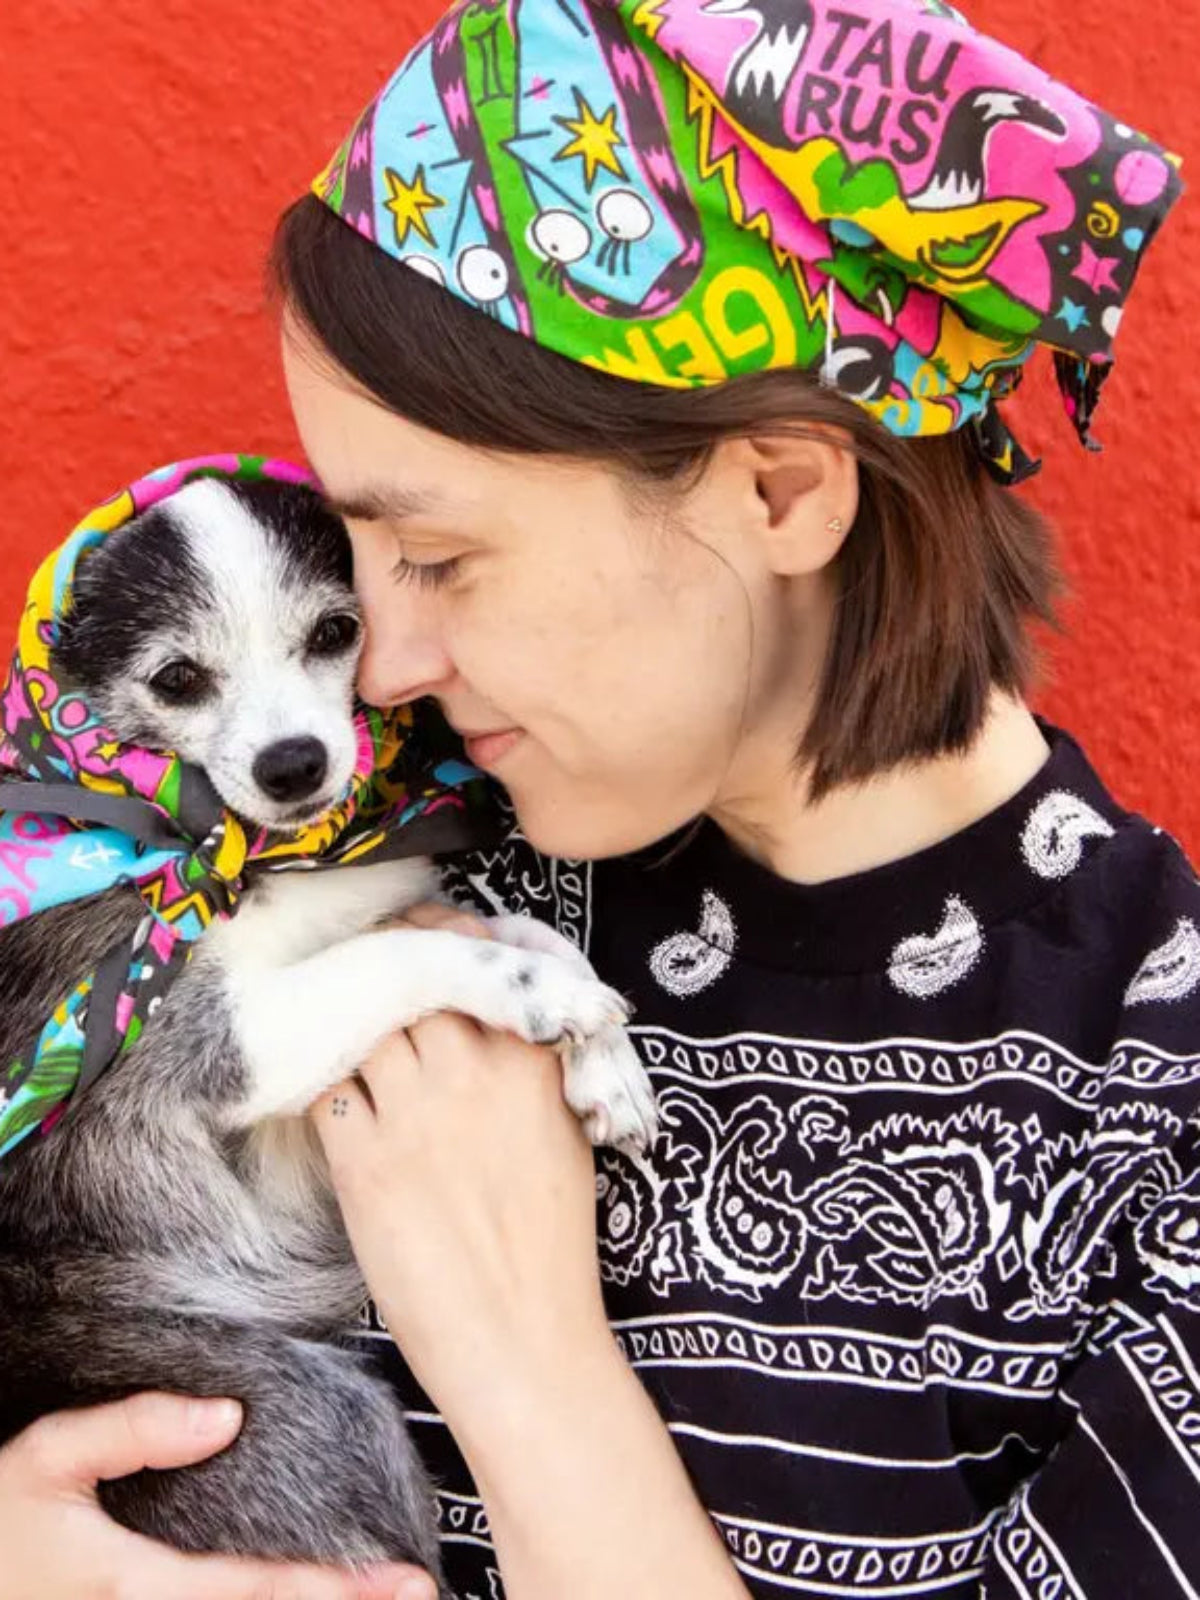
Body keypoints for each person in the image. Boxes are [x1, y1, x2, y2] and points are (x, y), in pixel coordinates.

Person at [2, 0, 1194, 1596]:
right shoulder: (400, 860)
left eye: (442, 556)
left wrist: (522, 1360)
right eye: (360, 569)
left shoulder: (1149, 1104)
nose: (389, 663)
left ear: (782, 491)